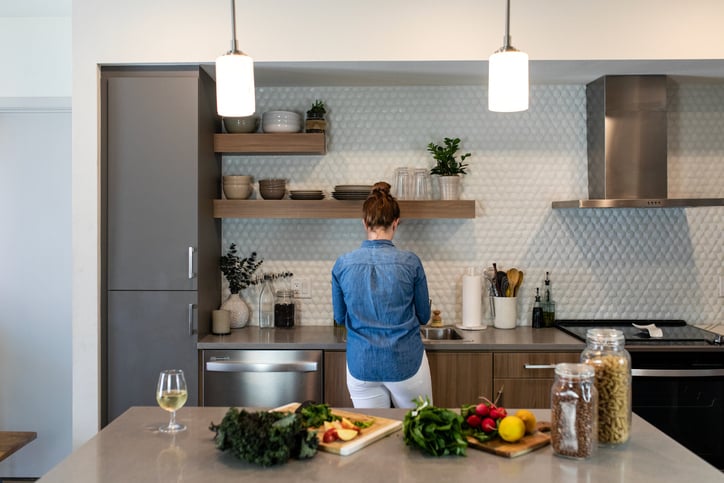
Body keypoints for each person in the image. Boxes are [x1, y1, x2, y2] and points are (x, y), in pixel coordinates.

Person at [331, 181, 433, 408]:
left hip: (362, 365)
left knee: (373, 435)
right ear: (396, 223)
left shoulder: (343, 264)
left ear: (365, 223)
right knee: (420, 430)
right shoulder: (410, 262)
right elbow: (424, 316)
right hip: (405, 363)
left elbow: (339, 318)